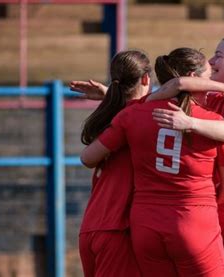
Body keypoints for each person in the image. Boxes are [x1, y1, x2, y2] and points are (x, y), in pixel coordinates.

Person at [72, 35, 224, 276]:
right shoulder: (213, 100)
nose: (211, 62)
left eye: (219, 56)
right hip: (212, 210)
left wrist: (189, 122)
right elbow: (176, 87)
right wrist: (113, 94)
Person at [78, 50, 152, 277]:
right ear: (146, 79)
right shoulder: (141, 118)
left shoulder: (115, 114)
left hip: (92, 226)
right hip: (117, 230)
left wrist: (109, 95)